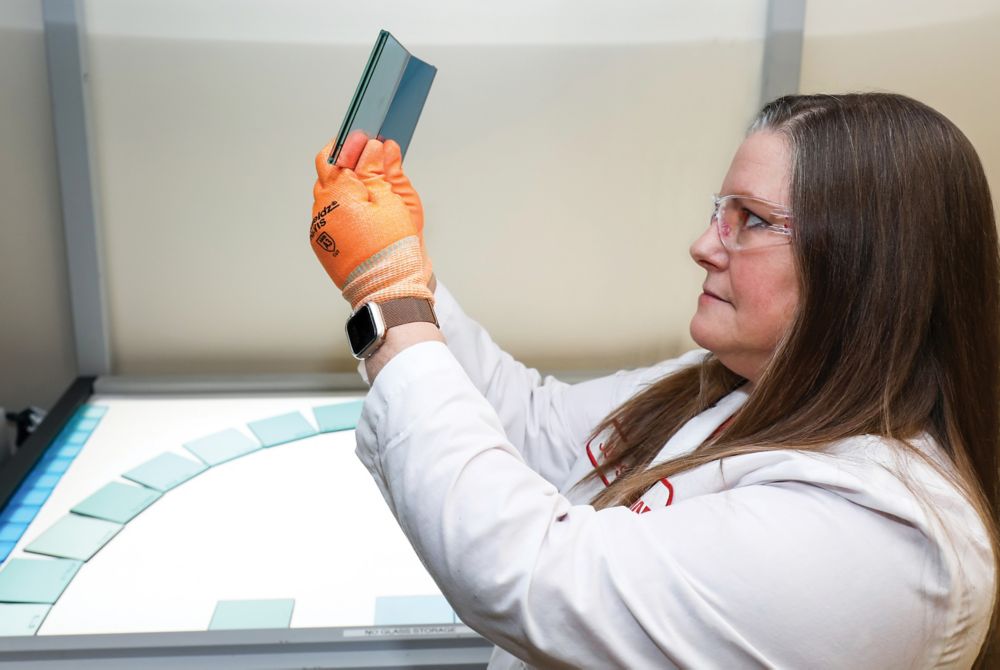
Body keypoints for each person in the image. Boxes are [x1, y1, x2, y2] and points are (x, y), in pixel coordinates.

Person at [308, 93, 999, 668]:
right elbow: (538, 431)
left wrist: (389, 296)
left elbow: (534, 576)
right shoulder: (743, 386)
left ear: (866, 269)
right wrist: (409, 272)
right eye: (718, 211)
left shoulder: (881, 539)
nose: (704, 246)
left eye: (750, 221)